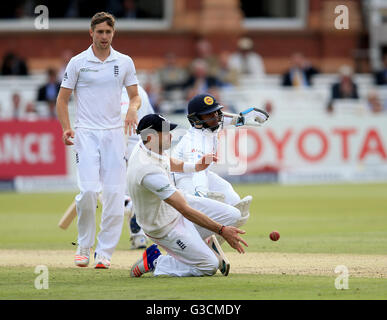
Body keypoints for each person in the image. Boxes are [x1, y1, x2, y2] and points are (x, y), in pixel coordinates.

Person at [56, 12, 141, 269]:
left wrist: (132, 109)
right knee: (89, 191)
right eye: (100, 32)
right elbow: (62, 99)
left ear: (113, 34)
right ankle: (84, 245)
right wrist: (67, 128)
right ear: (91, 33)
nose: (104, 37)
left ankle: (104, 252)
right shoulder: (78, 62)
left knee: (115, 195)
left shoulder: (124, 62)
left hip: (115, 134)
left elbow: (135, 96)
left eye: (108, 32)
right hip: (86, 133)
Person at [128, 114, 248, 277]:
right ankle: (155, 261)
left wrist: (196, 167)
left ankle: (196, 247)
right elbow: (184, 210)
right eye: (166, 132)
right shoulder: (148, 171)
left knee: (233, 214)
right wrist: (221, 230)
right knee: (209, 266)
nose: (171, 135)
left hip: (177, 205)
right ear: (151, 137)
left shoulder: (147, 146)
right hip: (164, 226)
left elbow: (167, 161)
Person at [171, 94, 268, 243]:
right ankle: (190, 243)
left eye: (216, 112)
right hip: (181, 179)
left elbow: (228, 119)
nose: (215, 117)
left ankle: (210, 241)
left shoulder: (211, 125)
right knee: (199, 210)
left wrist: (244, 117)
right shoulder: (195, 142)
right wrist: (201, 194)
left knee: (234, 201)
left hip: (201, 172)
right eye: (209, 114)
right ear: (196, 119)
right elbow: (198, 172)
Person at [120, 84, 155, 249]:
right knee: (137, 191)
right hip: (144, 145)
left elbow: (121, 123)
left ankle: (128, 206)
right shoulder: (141, 90)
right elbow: (153, 118)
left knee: (111, 193)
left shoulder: (118, 91)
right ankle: (139, 237)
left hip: (123, 145)